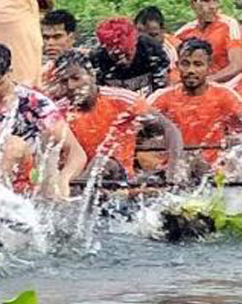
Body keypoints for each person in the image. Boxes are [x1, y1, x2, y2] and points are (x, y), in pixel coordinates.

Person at [0, 41, 86, 198]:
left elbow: (77, 153)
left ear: (9, 72)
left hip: (29, 177)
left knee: (12, 145)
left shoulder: (35, 103)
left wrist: (64, 179)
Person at [51, 49, 182, 182]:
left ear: (92, 75)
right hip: (77, 181)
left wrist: (173, 170)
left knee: (102, 162)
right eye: (63, 81)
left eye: (76, 78)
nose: (71, 86)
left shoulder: (122, 99)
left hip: (120, 179)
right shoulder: (56, 112)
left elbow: (169, 129)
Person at [149, 38, 242, 173]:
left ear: (209, 66)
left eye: (198, 64)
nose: (191, 70)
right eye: (185, 64)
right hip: (176, 171)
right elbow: (134, 128)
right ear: (177, 65)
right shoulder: (162, 97)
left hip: (215, 172)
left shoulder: (225, 95)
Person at [174, 0, 242, 83]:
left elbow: (237, 65)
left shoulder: (228, 24)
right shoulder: (183, 32)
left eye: (215, 0)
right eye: (205, 1)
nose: (212, 6)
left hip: (229, 85)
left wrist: (206, 81)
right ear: (193, 4)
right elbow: (174, 66)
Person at [89, 17, 169, 95]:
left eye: (127, 54)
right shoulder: (97, 59)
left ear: (134, 45)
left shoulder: (151, 49)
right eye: (116, 56)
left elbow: (162, 90)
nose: (123, 61)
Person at [135, 6, 180, 83]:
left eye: (152, 35)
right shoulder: (128, 51)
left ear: (163, 30)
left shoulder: (175, 50)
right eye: (141, 36)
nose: (146, 41)